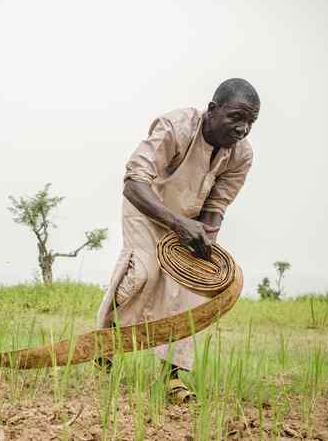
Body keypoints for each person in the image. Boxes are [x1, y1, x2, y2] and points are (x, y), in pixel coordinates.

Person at [96, 78, 260, 403]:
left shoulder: (241, 155)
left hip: (190, 220)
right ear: (213, 110)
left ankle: (171, 377)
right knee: (144, 272)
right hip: (146, 205)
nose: (242, 129)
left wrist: (205, 245)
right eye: (236, 117)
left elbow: (216, 206)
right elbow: (132, 183)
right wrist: (177, 223)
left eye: (250, 122)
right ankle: (104, 346)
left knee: (186, 289)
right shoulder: (175, 127)